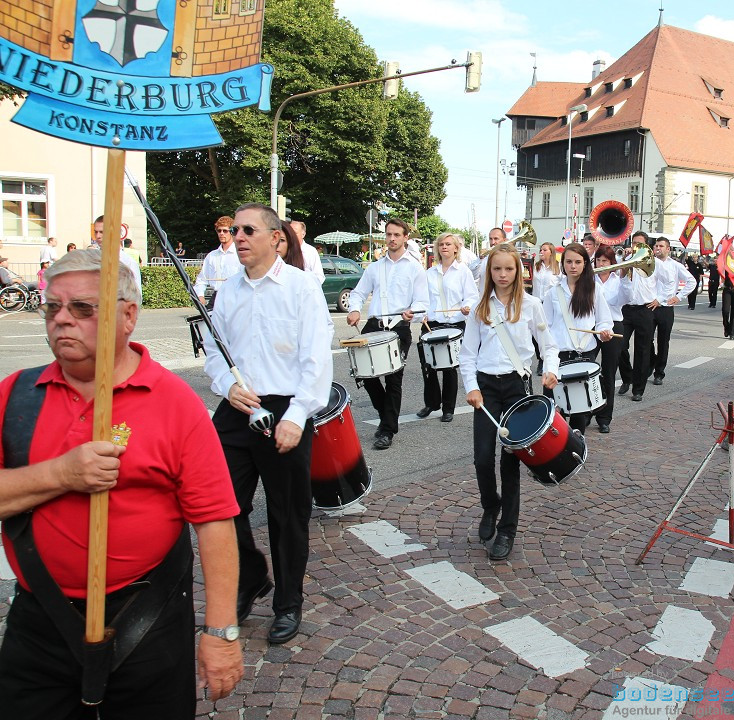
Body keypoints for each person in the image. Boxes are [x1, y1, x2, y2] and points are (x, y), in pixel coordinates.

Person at [0, 249, 243, 716]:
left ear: (128, 316)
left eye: (84, 309)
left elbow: (214, 522)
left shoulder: (175, 403)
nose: (62, 320)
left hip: (146, 620)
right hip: (38, 623)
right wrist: (61, 474)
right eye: (53, 307)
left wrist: (221, 633)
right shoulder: (16, 395)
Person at [204, 203, 332, 645]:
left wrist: (297, 416)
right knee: (218, 507)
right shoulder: (228, 291)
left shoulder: (301, 288)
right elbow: (214, 351)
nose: (238, 237)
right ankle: (252, 576)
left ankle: (288, 603)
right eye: (234, 230)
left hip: (287, 407)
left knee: (287, 514)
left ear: (275, 238)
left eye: (248, 230)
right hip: (238, 409)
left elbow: (317, 358)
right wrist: (226, 385)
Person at [460, 244, 559, 561]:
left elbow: (549, 345)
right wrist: (472, 387)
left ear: (519, 272)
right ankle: (491, 505)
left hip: (517, 386)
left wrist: (551, 371)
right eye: (497, 269)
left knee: (510, 460)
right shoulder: (480, 308)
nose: (502, 275)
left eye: (509, 269)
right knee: (481, 458)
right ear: (490, 272)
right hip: (486, 388)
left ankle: (507, 529)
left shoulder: (530, 305)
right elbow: (467, 354)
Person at [347, 217, 429, 450]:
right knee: (364, 375)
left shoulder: (414, 269)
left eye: (396, 235)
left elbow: (423, 301)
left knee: (394, 380)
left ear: (405, 238)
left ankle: (387, 430)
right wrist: (354, 309)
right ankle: (386, 416)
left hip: (398, 328)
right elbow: (359, 293)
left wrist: (413, 311)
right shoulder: (374, 268)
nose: (391, 239)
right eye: (388, 234)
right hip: (374, 326)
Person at [542, 243, 613, 432]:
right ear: (563, 264)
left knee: (579, 412)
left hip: (584, 355)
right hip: (558, 357)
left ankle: (576, 450)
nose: (573, 266)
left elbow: (604, 320)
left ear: (584, 264)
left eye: (578, 262)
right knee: (553, 410)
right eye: (569, 262)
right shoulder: (552, 292)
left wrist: (605, 332)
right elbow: (545, 327)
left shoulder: (594, 290)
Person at [417, 232, 479, 422]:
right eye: (441, 244)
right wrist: (422, 312)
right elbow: (423, 298)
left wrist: (467, 306)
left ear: (456, 249)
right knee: (428, 365)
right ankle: (431, 403)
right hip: (433, 323)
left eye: (448, 244)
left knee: (450, 368)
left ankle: (448, 408)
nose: (444, 247)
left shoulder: (463, 271)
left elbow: (472, 295)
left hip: (454, 323)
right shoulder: (429, 273)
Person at [618, 231, 658, 401]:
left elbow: (669, 281)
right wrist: (626, 261)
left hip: (645, 309)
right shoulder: (626, 260)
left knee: (642, 350)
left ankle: (638, 389)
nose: (635, 247)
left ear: (646, 246)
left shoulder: (655, 263)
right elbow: (618, 277)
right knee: (619, 345)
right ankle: (627, 378)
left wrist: (661, 299)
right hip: (626, 309)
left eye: (639, 244)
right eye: (634, 243)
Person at [650, 237, 694, 386]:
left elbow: (692, 281)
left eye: (661, 246)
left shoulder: (675, 266)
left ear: (668, 249)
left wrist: (679, 296)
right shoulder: (649, 263)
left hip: (666, 308)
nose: (658, 248)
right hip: (650, 306)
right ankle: (651, 363)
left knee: (663, 341)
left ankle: (659, 373)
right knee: (646, 340)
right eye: (656, 245)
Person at [595, 245, 629, 434]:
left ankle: (604, 417)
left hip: (613, 325)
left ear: (611, 263)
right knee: (586, 368)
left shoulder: (618, 280)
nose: (601, 264)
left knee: (608, 372)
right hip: (592, 325)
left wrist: (625, 277)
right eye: (599, 260)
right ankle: (586, 411)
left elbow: (624, 299)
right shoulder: (590, 279)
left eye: (605, 261)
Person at [194, 216, 243, 308]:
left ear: (232, 232)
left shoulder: (240, 254)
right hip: (217, 297)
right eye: (219, 231)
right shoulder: (212, 256)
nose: (221, 234)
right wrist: (200, 295)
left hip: (236, 298)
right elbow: (201, 279)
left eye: (225, 231)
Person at [94, 216, 142, 302]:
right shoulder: (92, 258)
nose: (98, 236)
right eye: (95, 232)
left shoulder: (128, 262)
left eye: (102, 232)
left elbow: (136, 297)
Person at [290, 220, 325, 284]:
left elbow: (319, 277)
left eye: (295, 233)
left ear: (303, 234)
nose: (291, 236)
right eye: (289, 233)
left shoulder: (310, 252)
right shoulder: (284, 250)